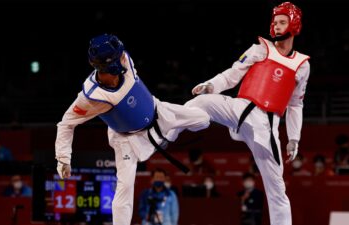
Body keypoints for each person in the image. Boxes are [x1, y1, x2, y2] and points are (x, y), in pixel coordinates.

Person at [54, 34, 210, 225]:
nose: (121, 62)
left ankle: (171, 133)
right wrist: (63, 159)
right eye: (116, 63)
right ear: (104, 67)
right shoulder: (91, 97)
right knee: (125, 186)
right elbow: (66, 124)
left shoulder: (124, 59)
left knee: (203, 119)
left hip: (157, 112)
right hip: (126, 139)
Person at [188, 2, 309, 225]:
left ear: (294, 24)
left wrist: (294, 139)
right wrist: (210, 85)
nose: (278, 26)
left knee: (277, 191)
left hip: (267, 126)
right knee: (201, 101)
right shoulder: (260, 49)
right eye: (275, 22)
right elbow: (232, 75)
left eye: (283, 22)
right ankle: (159, 125)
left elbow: (295, 105)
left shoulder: (302, 65)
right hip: (240, 109)